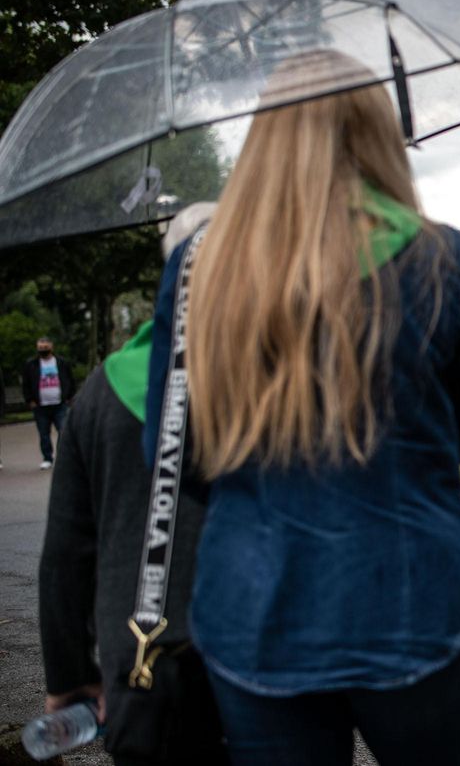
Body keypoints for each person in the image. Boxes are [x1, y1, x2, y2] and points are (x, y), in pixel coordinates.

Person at [143, 53, 460, 765]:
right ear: (375, 134)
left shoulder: (197, 266)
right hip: (408, 595)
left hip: (255, 604)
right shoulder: (443, 258)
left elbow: (176, 453)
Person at [38, 206, 227, 765]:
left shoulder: (99, 392)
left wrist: (70, 676)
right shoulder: (274, 377)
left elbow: (66, 555)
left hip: (141, 663)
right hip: (255, 659)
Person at [23, 336, 76, 470]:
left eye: (45, 348)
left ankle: (62, 457)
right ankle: (47, 458)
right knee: (44, 434)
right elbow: (26, 384)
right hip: (41, 406)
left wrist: (70, 396)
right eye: (40, 348)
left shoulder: (62, 363)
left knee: (63, 430)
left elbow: (70, 380)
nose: (43, 350)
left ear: (51, 347)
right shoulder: (31, 364)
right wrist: (30, 400)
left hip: (59, 404)